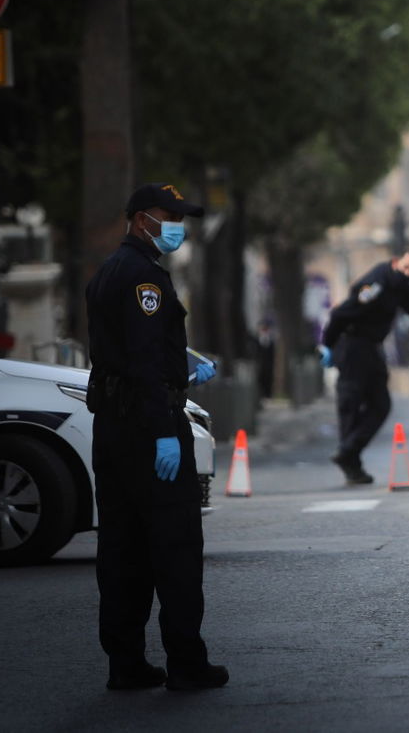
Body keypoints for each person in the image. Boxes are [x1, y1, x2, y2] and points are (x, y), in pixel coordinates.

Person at [85, 183, 228, 691]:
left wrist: (182, 367)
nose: (178, 227)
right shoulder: (145, 279)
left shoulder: (108, 272)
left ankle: (125, 664)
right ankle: (186, 664)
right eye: (170, 217)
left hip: (114, 430)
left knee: (122, 550)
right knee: (175, 547)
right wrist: (166, 431)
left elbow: (121, 352)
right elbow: (144, 362)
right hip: (150, 432)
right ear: (142, 219)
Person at [319, 250, 409, 485]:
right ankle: (351, 463)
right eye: (406, 268)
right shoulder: (377, 284)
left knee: (380, 405)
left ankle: (348, 452)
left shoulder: (400, 287)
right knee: (350, 405)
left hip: (371, 348)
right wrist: (327, 344)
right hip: (352, 347)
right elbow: (342, 313)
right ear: (395, 263)